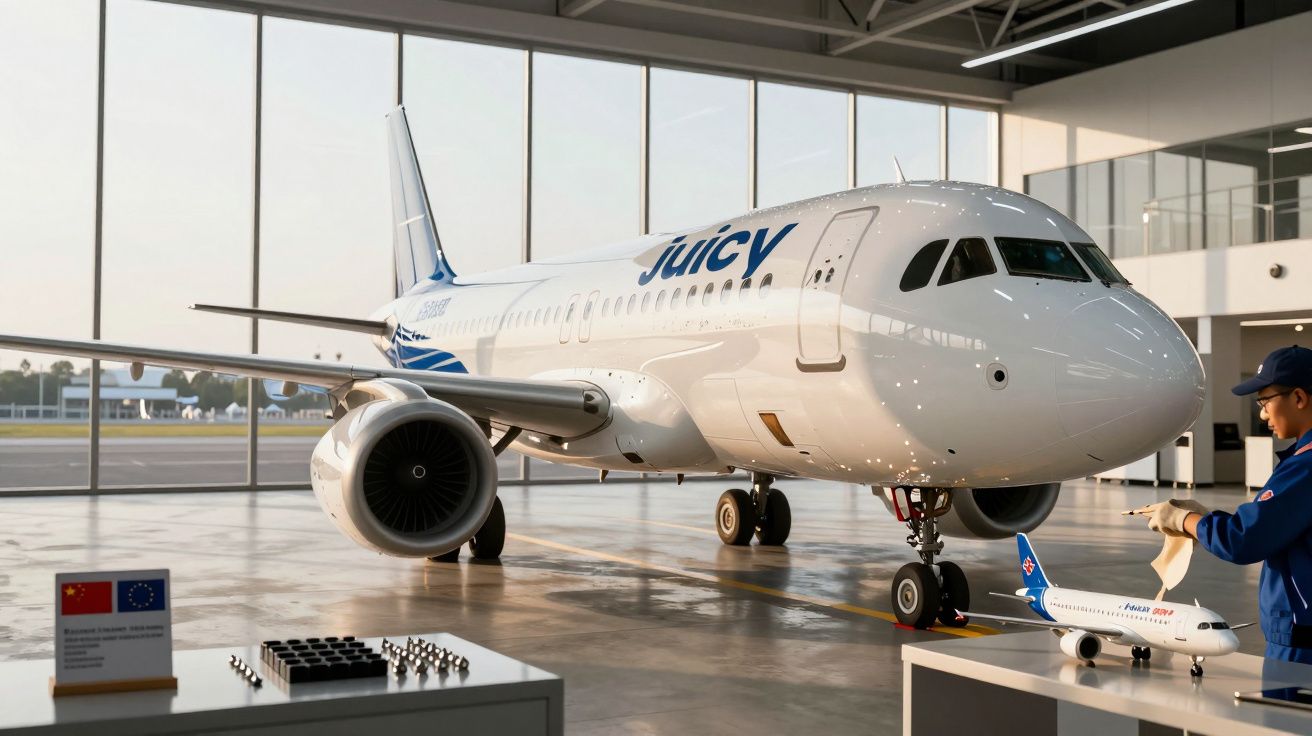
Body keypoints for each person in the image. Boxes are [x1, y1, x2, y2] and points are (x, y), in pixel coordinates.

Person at [1142, 345, 1312, 663]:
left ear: (1299, 398)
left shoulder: (1305, 466)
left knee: (1287, 713)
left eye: (1265, 401)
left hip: (1303, 644)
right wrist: (1207, 520)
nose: (1262, 414)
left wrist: (1182, 520)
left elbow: (1243, 540)